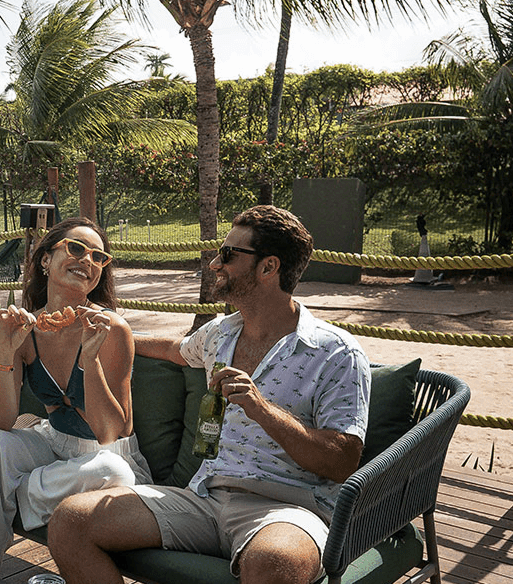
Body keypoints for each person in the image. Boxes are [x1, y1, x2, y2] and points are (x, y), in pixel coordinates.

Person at [47, 205, 371, 584]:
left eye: (229, 254)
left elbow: (342, 462)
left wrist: (262, 409)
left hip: (287, 508)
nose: (216, 263)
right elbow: (173, 349)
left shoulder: (335, 353)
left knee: (273, 564)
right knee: (71, 522)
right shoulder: (221, 333)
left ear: (268, 268)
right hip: (204, 496)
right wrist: (107, 331)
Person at [0, 217, 151, 576]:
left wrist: (90, 360)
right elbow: (3, 421)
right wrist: (5, 352)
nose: (87, 260)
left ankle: (1, 491)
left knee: (111, 470)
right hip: (53, 446)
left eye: (98, 257)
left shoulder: (111, 329)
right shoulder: (27, 328)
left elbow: (109, 433)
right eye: (75, 248)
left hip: (105, 458)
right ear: (45, 260)